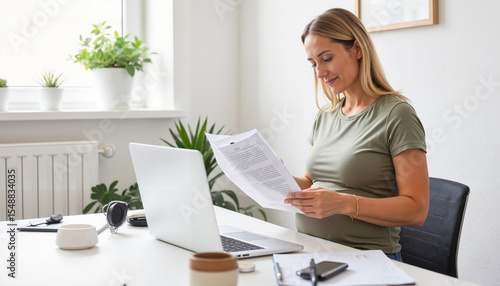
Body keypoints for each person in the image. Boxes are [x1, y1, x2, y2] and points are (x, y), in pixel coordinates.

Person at [283, 8, 429, 261]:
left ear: (357, 49)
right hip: (311, 253)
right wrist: (279, 179)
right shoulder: (326, 115)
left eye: (326, 58)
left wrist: (344, 203)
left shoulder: (397, 114)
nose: (319, 72)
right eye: (313, 64)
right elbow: (312, 180)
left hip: (367, 259)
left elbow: (416, 209)